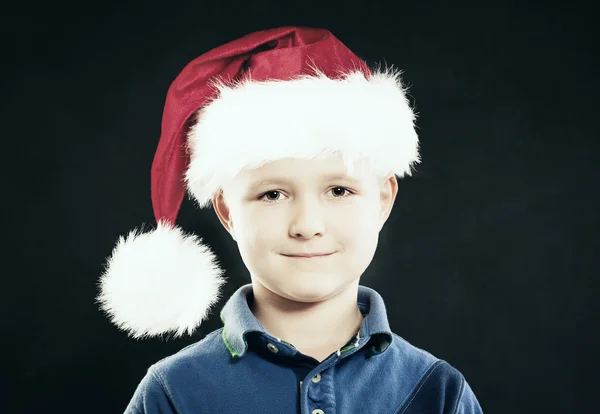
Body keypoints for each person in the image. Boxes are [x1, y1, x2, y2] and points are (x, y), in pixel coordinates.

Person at [97, 26, 484, 413]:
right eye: (272, 194)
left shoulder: (438, 391)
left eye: (339, 190)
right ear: (228, 210)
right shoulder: (174, 392)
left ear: (383, 200)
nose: (307, 225)